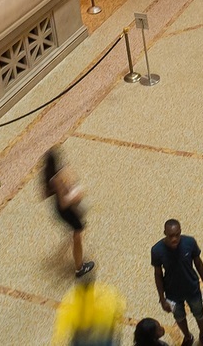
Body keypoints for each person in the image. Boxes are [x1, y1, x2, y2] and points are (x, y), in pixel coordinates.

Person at [151, 219, 203, 346]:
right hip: (172, 293)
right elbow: (158, 275)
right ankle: (187, 336)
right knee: (179, 317)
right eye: (171, 236)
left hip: (192, 288)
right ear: (164, 233)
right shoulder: (157, 250)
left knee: (199, 314)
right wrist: (162, 298)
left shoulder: (189, 243)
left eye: (177, 235)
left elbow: (199, 264)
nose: (174, 239)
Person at [43, 146, 93, 277]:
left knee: (79, 228)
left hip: (59, 209)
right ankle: (79, 267)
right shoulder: (56, 179)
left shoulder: (49, 177)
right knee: (78, 232)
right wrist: (76, 195)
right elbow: (64, 202)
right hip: (66, 211)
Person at [52, 263, 126, 346]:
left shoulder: (71, 298)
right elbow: (121, 306)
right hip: (104, 339)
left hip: (80, 340)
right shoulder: (106, 293)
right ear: (93, 283)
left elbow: (61, 328)